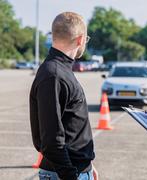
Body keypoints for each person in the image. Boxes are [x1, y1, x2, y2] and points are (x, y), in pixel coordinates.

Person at [29, 12, 96, 180]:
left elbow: (70, 127)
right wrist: (71, 176)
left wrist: (88, 165)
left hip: (77, 169)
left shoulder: (60, 70)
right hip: (64, 174)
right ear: (80, 39)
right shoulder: (54, 75)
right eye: (86, 40)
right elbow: (52, 141)